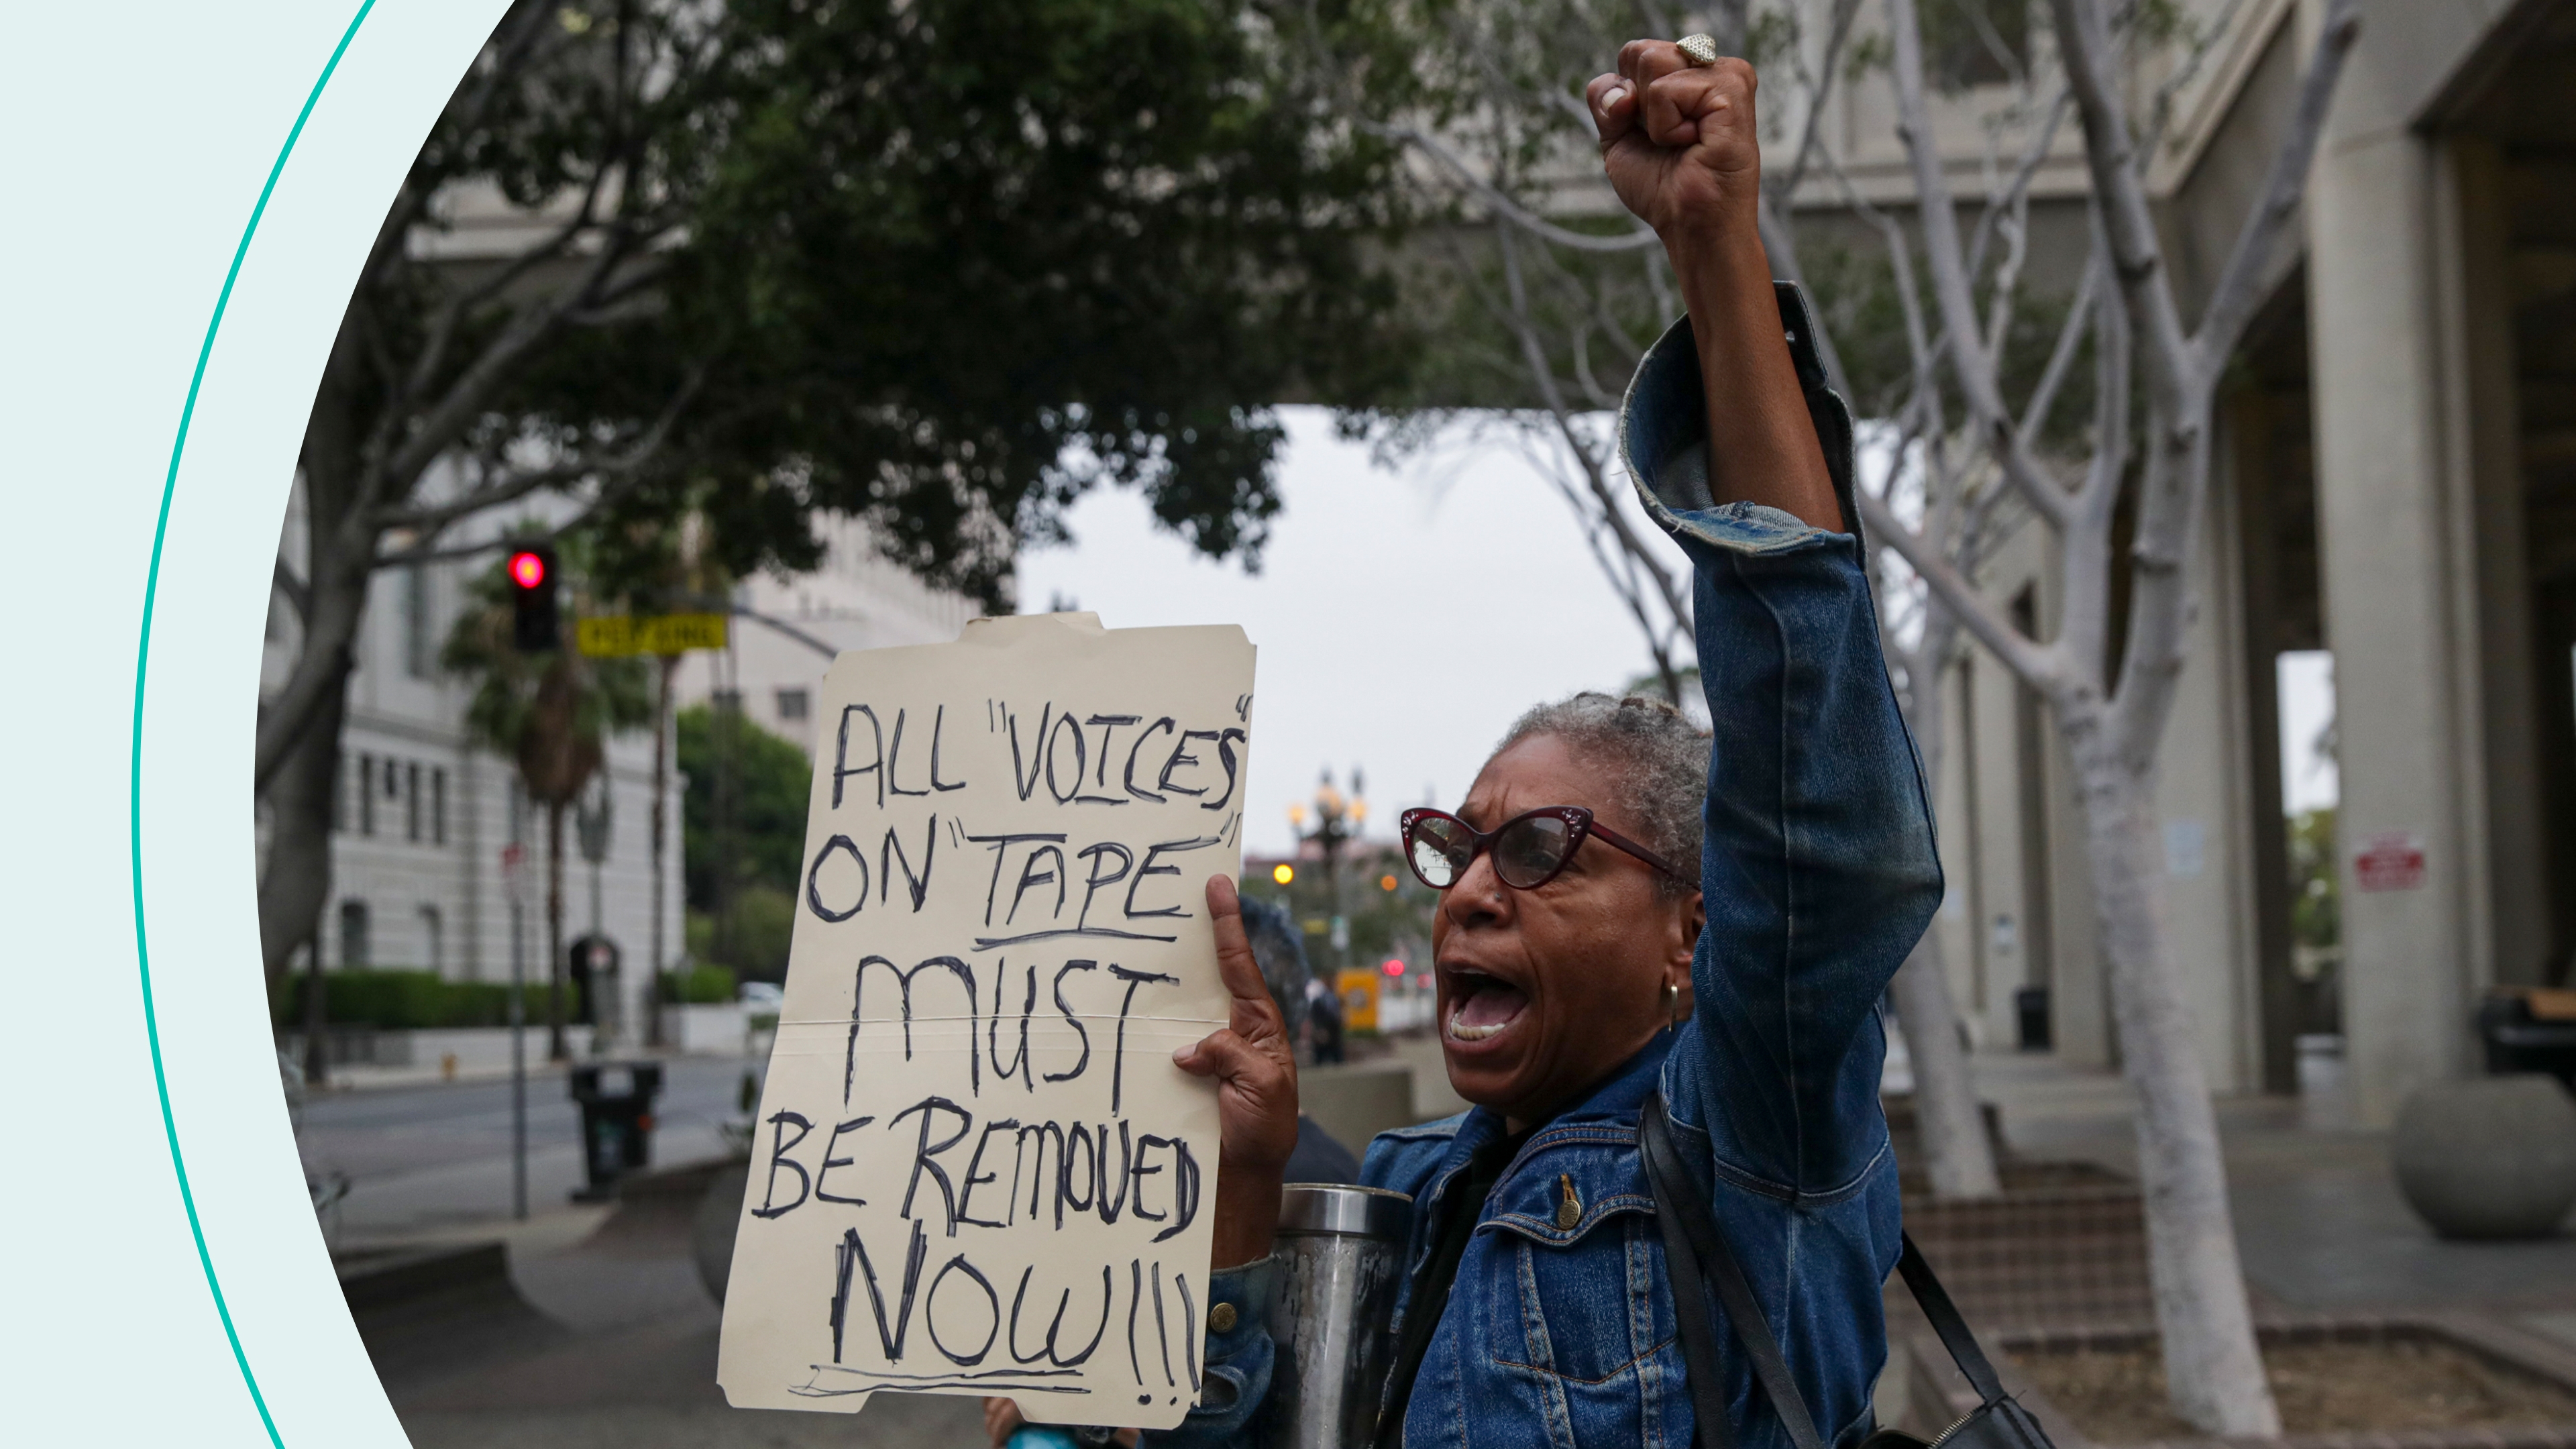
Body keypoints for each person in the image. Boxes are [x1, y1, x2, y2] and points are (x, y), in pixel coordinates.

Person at [1158, 35, 1943, 1449]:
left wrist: (1714, 245)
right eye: (1457, 849)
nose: (1467, 888)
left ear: (1690, 940)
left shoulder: (1752, 1135)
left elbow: (1823, 828)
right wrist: (1244, 1190)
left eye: (1539, 851)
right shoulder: (1399, 1186)